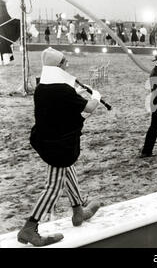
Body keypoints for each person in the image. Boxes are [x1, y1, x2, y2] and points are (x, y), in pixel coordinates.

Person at [17, 48, 102, 247]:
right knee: (54, 185)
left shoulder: (42, 87)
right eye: (64, 62)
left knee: (67, 170)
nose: (67, 65)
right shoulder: (63, 90)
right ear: (58, 66)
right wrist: (96, 96)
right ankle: (30, 227)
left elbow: (60, 107)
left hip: (46, 139)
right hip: (58, 144)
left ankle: (78, 211)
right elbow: (88, 108)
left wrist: (76, 95)